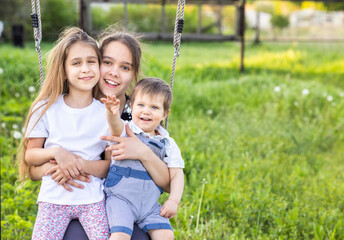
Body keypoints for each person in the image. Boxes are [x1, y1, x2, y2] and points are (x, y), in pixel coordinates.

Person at [26, 27, 170, 240]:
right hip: (76, 199)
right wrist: (59, 163)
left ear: (133, 74)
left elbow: (167, 183)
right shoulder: (64, 108)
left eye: (125, 67)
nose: (113, 72)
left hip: (121, 206)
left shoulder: (141, 116)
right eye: (107, 62)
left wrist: (143, 152)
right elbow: (32, 170)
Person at [17, 27, 110, 239]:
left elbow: (108, 168)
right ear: (65, 70)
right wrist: (58, 153)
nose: (85, 69)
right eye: (76, 63)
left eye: (91, 61)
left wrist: (77, 166)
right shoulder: (46, 108)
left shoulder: (106, 113)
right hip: (53, 201)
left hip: (92, 200)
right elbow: (30, 155)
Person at [101, 77, 184, 240]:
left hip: (150, 205)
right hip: (121, 200)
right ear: (131, 107)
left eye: (154, 107)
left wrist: (173, 200)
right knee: (121, 236)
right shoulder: (126, 128)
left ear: (164, 114)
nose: (146, 111)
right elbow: (115, 127)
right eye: (141, 105)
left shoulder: (167, 142)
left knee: (166, 235)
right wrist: (111, 114)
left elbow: (176, 174)